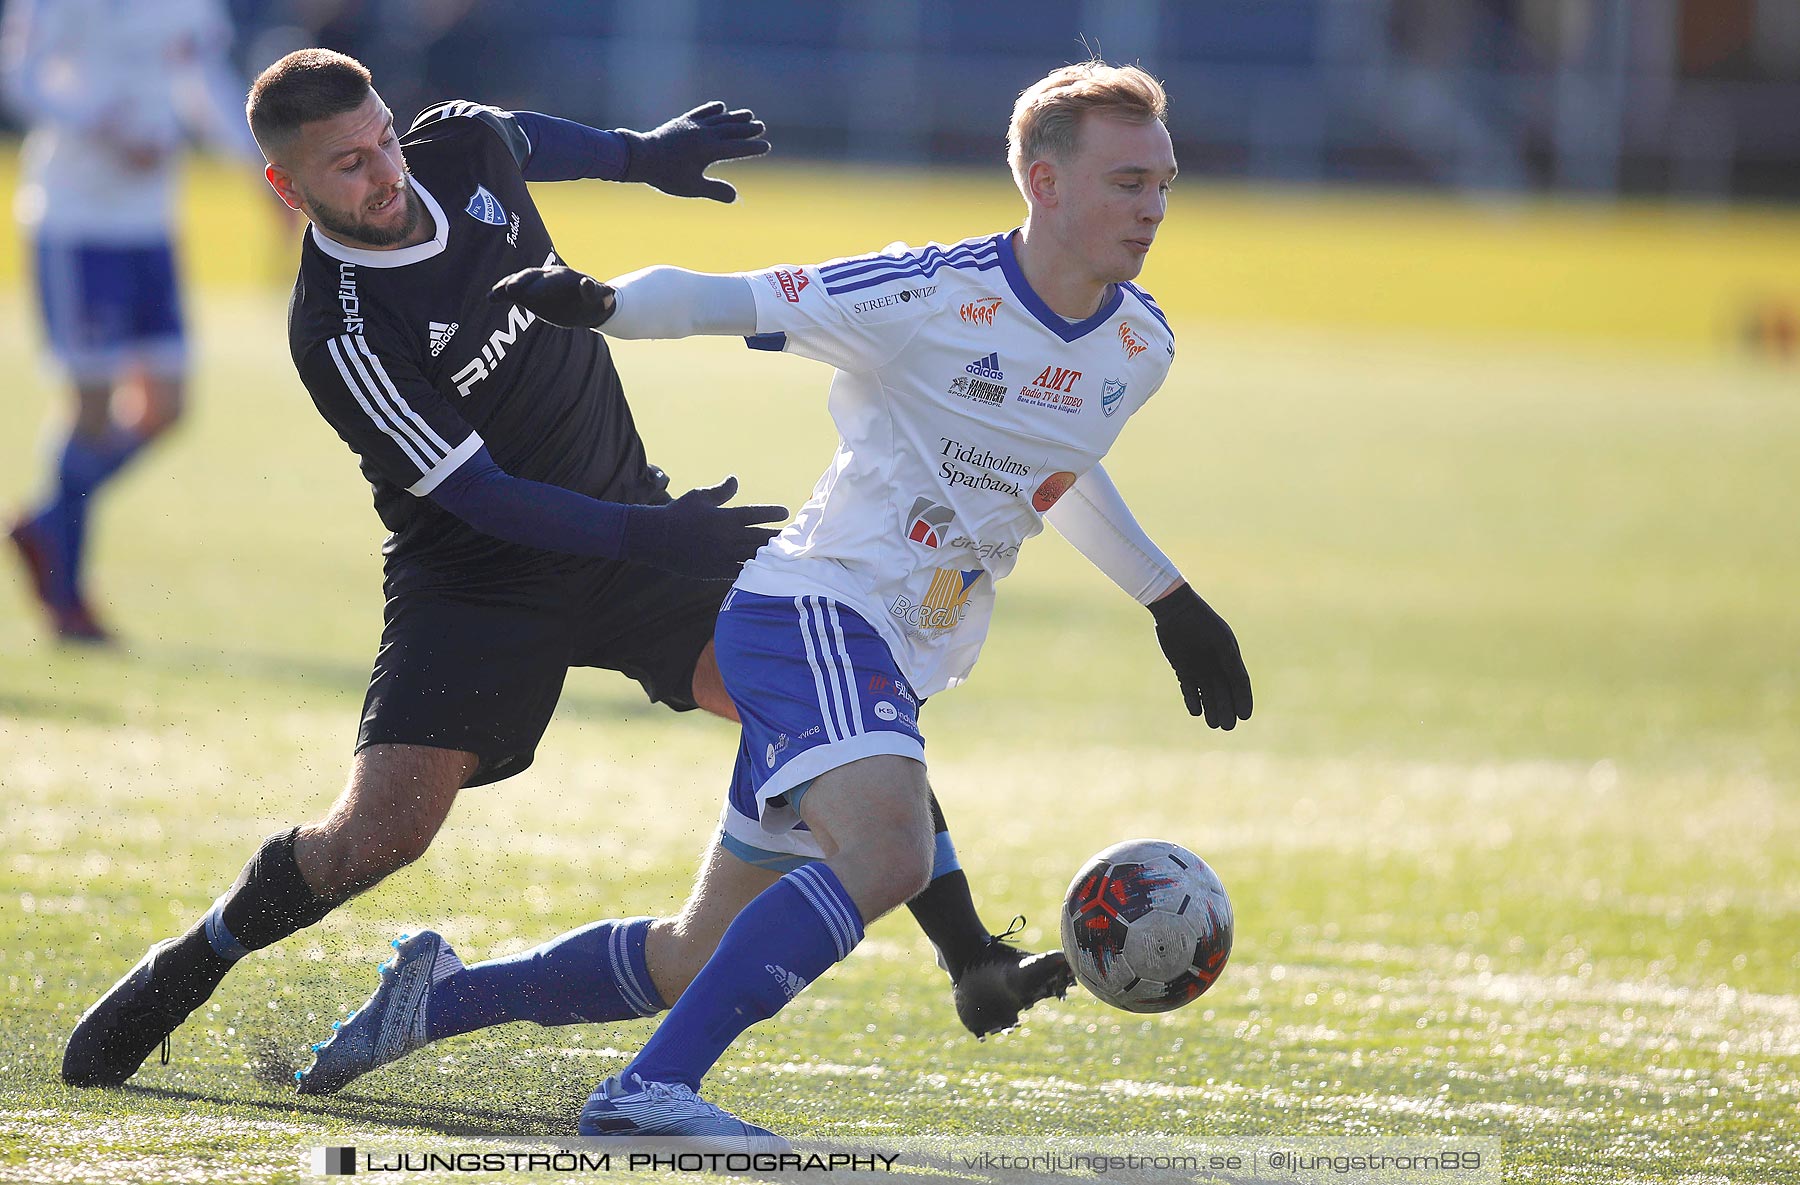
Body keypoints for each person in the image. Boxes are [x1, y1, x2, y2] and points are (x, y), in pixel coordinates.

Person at [60, 48, 1069, 1093]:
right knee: (380, 836)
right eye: (347, 166)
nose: (383, 173)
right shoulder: (342, 330)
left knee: (829, 700)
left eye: (382, 141)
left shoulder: (454, 146)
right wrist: (651, 538)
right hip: (478, 579)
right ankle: (194, 961)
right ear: (288, 186)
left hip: (630, 522)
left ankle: (970, 958)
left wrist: (645, 155)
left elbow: (528, 137)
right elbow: (481, 495)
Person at [381, 59, 1253, 1145]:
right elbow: (733, 297)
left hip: (891, 647)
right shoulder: (931, 293)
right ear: (1044, 183)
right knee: (879, 853)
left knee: (692, 954)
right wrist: (603, 305)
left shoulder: (1139, 346)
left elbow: (1051, 463)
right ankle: (646, 1096)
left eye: (1164, 182)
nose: (1155, 208)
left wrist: (1167, 597)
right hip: (814, 612)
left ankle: (431, 1001)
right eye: (1129, 182)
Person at [2, 0, 264, 642]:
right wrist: (103, 125)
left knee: (165, 409)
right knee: (91, 409)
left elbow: (204, 80)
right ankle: (67, 597)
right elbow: (18, 74)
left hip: (150, 224)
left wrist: (261, 171)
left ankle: (46, 523)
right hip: (75, 220)